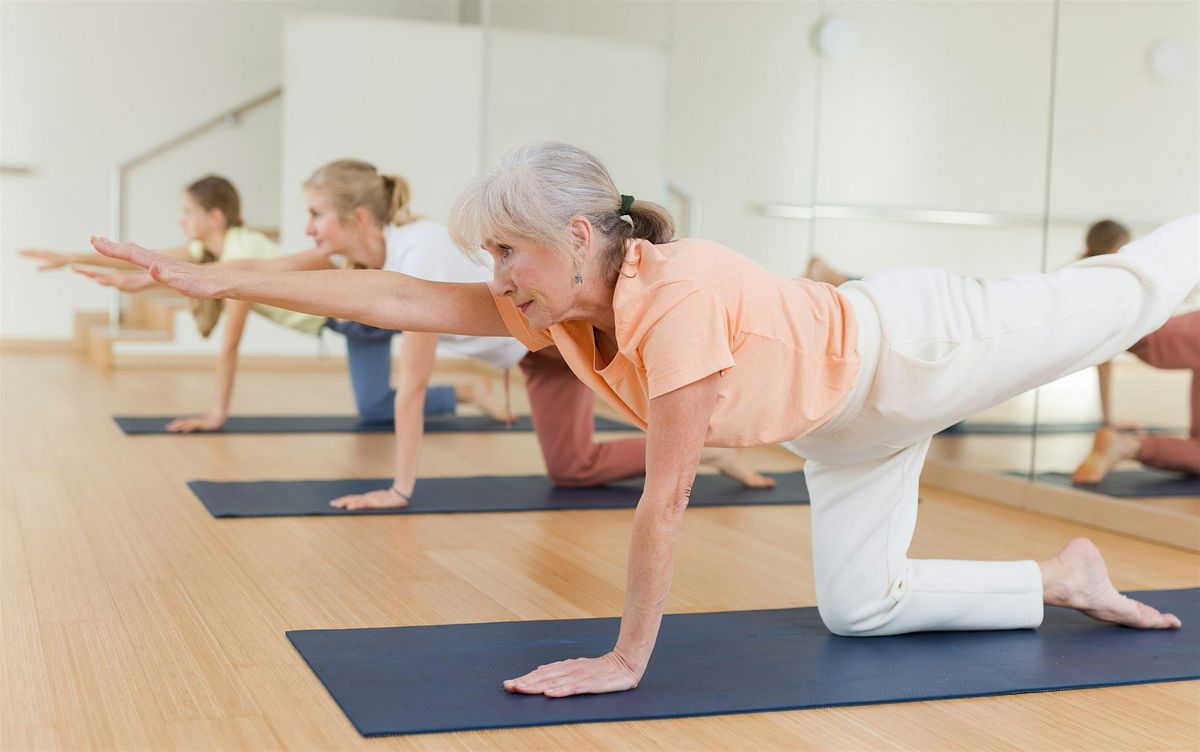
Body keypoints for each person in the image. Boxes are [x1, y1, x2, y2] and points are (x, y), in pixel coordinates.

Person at [91, 141, 1194, 698]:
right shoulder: (560, 305)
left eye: (506, 251)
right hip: (844, 426)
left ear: (576, 235)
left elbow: (667, 500)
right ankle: (1062, 577)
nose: (494, 276)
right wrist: (212, 285)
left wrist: (626, 658)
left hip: (917, 345)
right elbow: (391, 298)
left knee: (1128, 291)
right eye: (488, 257)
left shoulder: (676, 297)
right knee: (864, 608)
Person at [22, 174, 496, 432]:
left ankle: (478, 381)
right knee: (373, 407)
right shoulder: (221, 248)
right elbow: (155, 260)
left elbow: (229, 346)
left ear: (214, 216)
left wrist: (217, 414)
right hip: (343, 321)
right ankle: (470, 393)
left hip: (354, 319)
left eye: (187, 212)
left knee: (385, 397)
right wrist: (68, 257)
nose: (181, 222)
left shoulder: (242, 255)